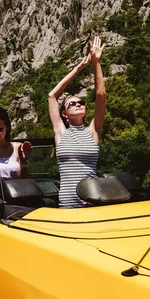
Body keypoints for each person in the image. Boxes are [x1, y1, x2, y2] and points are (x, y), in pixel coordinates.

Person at [48, 36, 106, 208]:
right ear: (64, 114)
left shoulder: (93, 131)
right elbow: (52, 96)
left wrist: (96, 62)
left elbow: (101, 95)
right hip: (67, 203)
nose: (78, 104)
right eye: (71, 103)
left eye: (81, 102)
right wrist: (79, 67)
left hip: (92, 200)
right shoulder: (60, 133)